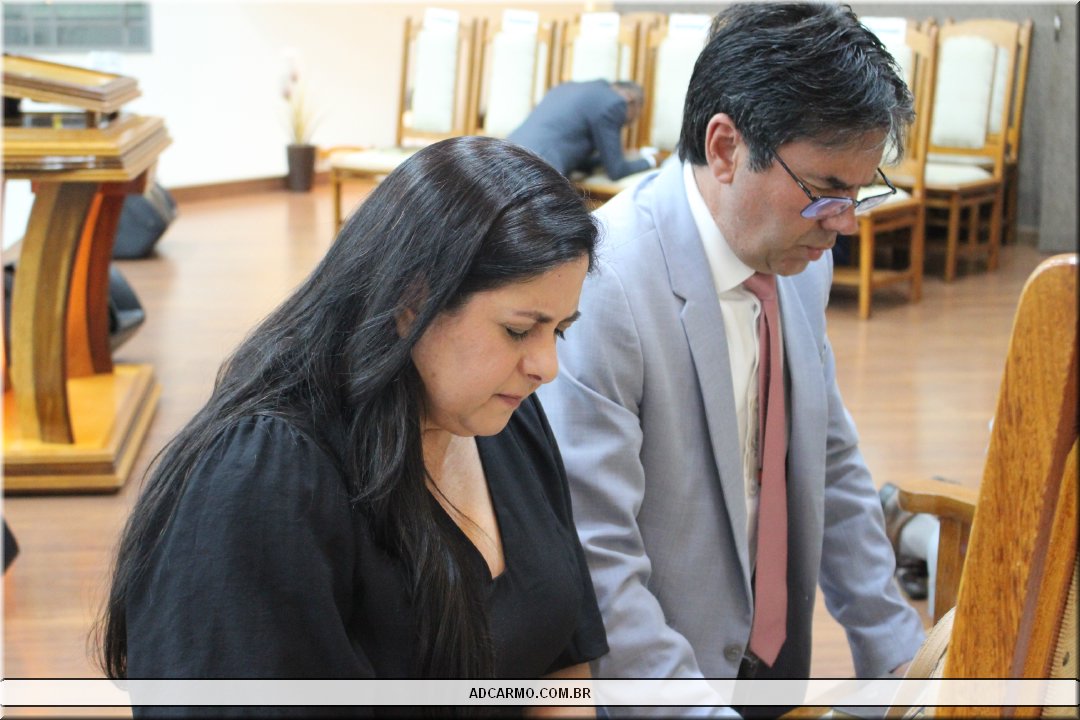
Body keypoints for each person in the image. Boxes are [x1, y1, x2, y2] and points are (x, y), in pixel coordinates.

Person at [96, 136, 607, 716]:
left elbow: (562, 661)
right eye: (519, 330)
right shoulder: (266, 479)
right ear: (413, 301)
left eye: (559, 330)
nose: (546, 366)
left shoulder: (503, 413)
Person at [536, 3, 926, 714]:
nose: (844, 225)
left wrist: (898, 654)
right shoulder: (607, 284)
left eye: (860, 192)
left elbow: (827, 455)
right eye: (826, 191)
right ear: (724, 148)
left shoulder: (799, 258)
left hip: (770, 660)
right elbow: (598, 559)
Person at [507, 80, 657, 182]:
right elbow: (617, 171)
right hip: (537, 171)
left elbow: (573, 153)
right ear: (631, 100)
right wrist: (651, 160)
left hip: (507, 154)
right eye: (638, 113)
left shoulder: (567, 88)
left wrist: (611, 158)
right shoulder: (614, 103)